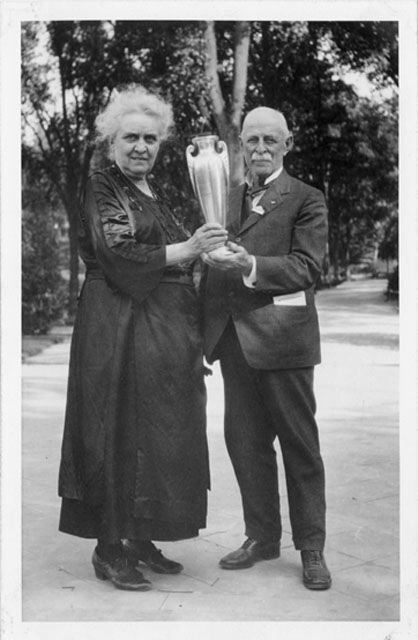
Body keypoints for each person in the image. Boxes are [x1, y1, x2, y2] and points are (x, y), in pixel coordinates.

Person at [58, 85, 227, 591]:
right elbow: (118, 254)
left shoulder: (152, 190)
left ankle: (140, 536)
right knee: (119, 433)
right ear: (111, 141)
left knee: (156, 437)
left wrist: (206, 258)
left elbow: (174, 258)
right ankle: (109, 549)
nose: (141, 146)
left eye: (151, 138)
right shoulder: (101, 185)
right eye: (130, 136)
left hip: (161, 333)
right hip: (119, 330)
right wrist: (190, 247)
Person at [203, 106, 331, 590]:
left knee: (300, 449)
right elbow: (208, 268)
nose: (259, 149)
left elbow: (306, 267)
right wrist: (203, 338)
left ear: (286, 144)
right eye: (251, 141)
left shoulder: (306, 198)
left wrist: (249, 263)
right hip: (235, 344)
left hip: (284, 344)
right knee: (245, 445)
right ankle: (262, 537)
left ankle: (312, 548)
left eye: (269, 142)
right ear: (241, 144)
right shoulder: (227, 197)